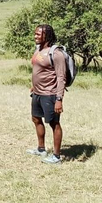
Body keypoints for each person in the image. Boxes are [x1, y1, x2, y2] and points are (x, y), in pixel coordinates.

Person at [26, 24, 66, 164]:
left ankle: (56, 156)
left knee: (54, 123)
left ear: (46, 35)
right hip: (37, 93)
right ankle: (41, 149)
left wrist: (59, 99)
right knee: (36, 119)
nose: (35, 36)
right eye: (35, 33)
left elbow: (61, 77)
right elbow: (38, 69)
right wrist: (34, 86)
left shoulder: (56, 53)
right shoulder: (38, 50)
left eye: (38, 34)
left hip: (50, 94)